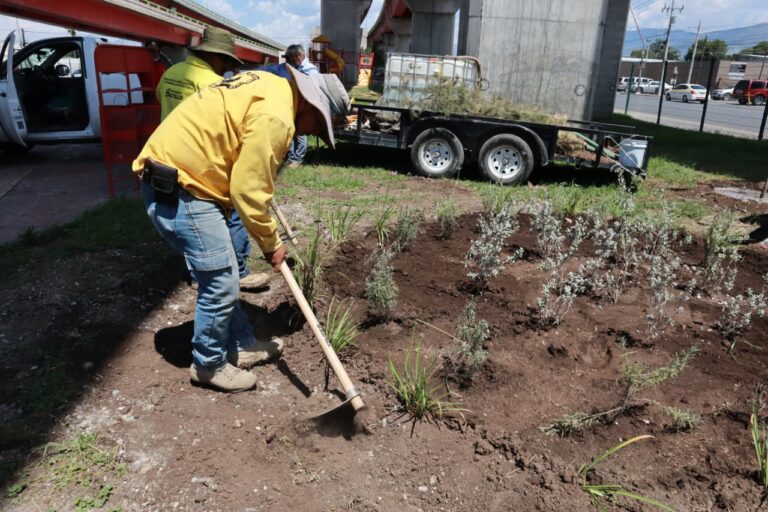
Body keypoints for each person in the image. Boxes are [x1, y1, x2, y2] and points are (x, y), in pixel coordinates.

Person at [133, 67, 346, 392]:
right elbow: (247, 192)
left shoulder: (271, 86)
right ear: (309, 106)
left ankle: (241, 343)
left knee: (226, 271)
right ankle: (209, 364)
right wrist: (272, 245)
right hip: (182, 188)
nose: (311, 133)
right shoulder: (277, 118)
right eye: (317, 126)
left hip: (190, 179)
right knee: (220, 279)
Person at [156, 27, 270, 291]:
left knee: (190, 222)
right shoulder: (213, 85)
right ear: (215, 57)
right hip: (203, 162)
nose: (227, 67)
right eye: (227, 61)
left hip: (170, 159)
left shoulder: (170, 75)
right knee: (233, 213)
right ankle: (239, 271)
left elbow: (161, 106)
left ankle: (198, 274)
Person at [261, 44, 318, 168]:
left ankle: (298, 159)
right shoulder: (289, 67)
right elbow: (269, 69)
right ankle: (291, 157)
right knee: (291, 130)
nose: (291, 61)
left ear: (300, 55)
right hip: (291, 103)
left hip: (304, 105)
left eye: (292, 57)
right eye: (289, 58)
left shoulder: (310, 70)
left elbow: (314, 88)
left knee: (301, 133)